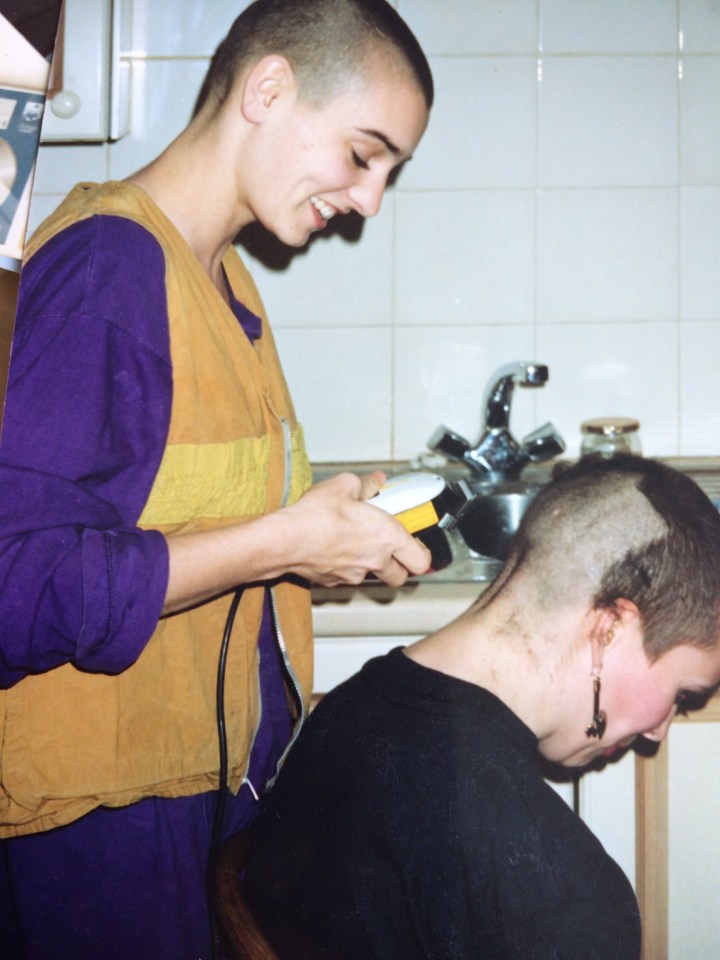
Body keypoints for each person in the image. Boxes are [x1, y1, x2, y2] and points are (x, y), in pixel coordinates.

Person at [0, 2, 433, 958]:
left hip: (198, 792)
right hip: (97, 828)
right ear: (269, 89)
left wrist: (319, 546)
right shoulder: (108, 268)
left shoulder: (225, 280)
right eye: (365, 155)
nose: (368, 201)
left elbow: (188, 526)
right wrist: (284, 542)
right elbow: (14, 589)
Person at [245, 454, 720, 960]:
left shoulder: (343, 713)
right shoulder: (568, 903)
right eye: (682, 695)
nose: (658, 731)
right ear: (609, 629)